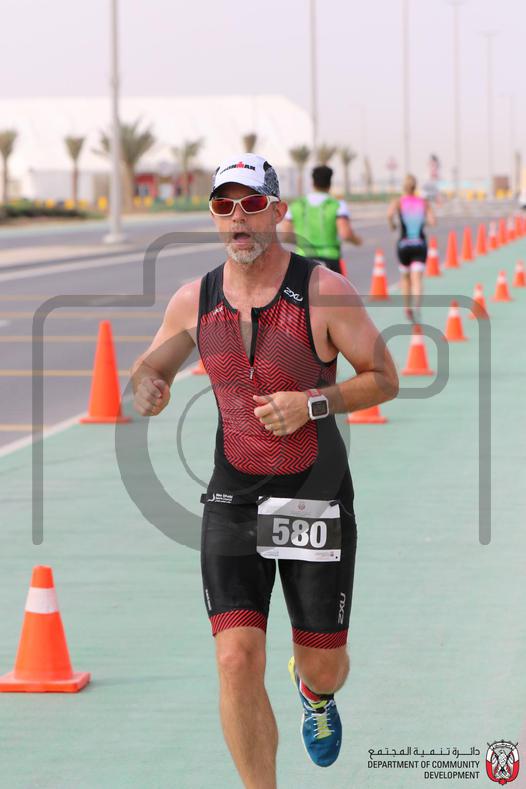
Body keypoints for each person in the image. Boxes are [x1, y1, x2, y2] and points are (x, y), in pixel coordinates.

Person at [131, 153, 398, 788]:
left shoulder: (325, 291)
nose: (238, 219)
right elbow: (150, 366)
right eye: (224, 206)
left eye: (251, 204)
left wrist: (311, 403)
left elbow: (384, 378)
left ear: (277, 211)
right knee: (235, 657)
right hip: (234, 498)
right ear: (214, 217)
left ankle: (315, 693)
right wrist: (147, 385)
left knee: (324, 666)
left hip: (313, 495)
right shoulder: (194, 300)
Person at [280, 165, 362, 275]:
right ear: (330, 183)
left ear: (312, 183)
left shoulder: (296, 205)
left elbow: (286, 235)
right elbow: (346, 234)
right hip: (330, 259)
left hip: (302, 260)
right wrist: (357, 241)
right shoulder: (337, 205)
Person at [387, 174, 436, 323]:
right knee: (417, 278)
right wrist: (423, 222)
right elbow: (433, 221)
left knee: (405, 278)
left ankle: (407, 308)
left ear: (404, 187)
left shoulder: (398, 202)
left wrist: (393, 225)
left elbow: (389, 215)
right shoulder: (424, 202)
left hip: (404, 245)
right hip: (419, 244)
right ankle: (417, 307)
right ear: (415, 186)